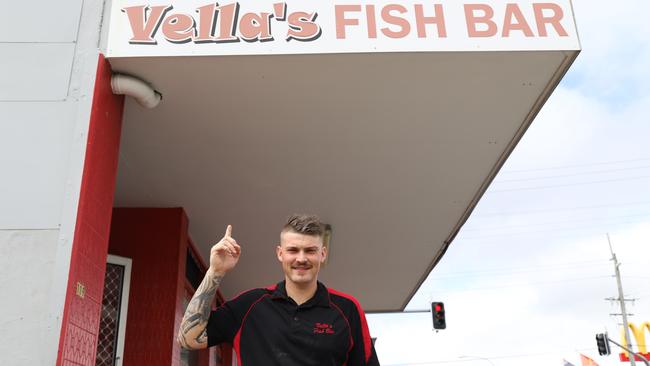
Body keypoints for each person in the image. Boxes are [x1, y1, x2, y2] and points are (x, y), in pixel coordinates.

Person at [178, 214, 380, 365]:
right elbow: (189, 339)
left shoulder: (347, 309)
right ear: (280, 253)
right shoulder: (250, 305)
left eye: (310, 250)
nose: (301, 258)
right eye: (293, 250)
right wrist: (215, 271)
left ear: (323, 254)